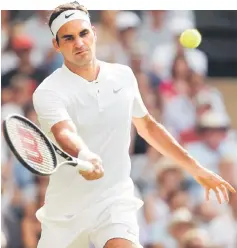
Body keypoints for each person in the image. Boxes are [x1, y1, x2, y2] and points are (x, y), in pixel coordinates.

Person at [32, 2, 236, 248]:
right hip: (65, 211)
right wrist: (86, 154)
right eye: (68, 38)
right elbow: (64, 131)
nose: (79, 43)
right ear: (56, 45)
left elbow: (148, 127)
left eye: (83, 33)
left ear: (93, 32)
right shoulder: (48, 91)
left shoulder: (123, 76)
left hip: (114, 200)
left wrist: (197, 170)